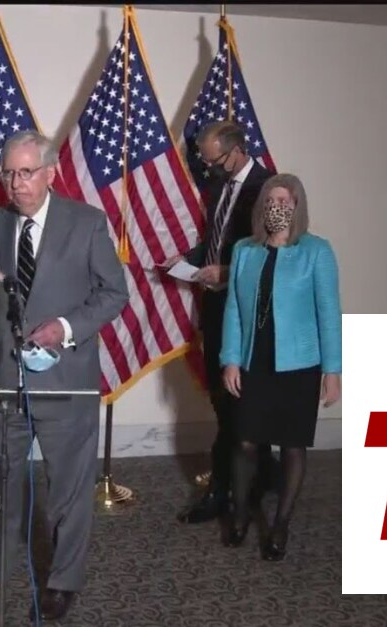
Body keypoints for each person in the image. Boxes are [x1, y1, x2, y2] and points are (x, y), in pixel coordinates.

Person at [0, 130, 128, 621]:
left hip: (66, 380)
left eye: (26, 172)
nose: (15, 183)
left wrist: (66, 328)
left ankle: (63, 581)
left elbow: (115, 293)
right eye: (8, 173)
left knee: (68, 491)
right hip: (7, 380)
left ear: (51, 172)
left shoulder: (87, 223)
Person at [159, 120, 277, 525]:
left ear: (237, 150)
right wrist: (188, 261)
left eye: (216, 161)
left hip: (246, 312)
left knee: (238, 401)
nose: (209, 168)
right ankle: (255, 477)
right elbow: (217, 240)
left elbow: (274, 256)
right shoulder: (221, 186)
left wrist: (227, 273)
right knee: (220, 395)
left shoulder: (268, 188)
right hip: (215, 308)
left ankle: (226, 489)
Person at [219, 173, 342, 559]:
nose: (277, 208)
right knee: (245, 441)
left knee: (292, 445)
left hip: (299, 365)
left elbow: (329, 314)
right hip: (253, 360)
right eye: (271, 201)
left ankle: (281, 524)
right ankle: (240, 514)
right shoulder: (245, 250)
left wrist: (333, 370)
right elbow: (234, 310)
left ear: (297, 206)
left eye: (285, 202)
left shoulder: (316, 252)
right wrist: (230, 359)